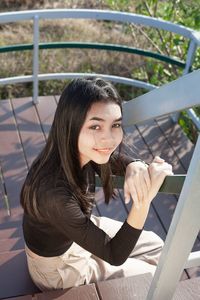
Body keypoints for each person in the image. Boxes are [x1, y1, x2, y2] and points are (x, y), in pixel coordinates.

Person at [20, 77, 173, 291]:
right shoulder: (54, 194)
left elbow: (111, 157)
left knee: (156, 246)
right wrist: (143, 200)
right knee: (154, 274)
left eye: (116, 125)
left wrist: (135, 165)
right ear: (71, 126)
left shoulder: (78, 152)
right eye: (95, 126)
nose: (109, 139)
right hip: (58, 268)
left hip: (73, 231)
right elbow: (115, 254)